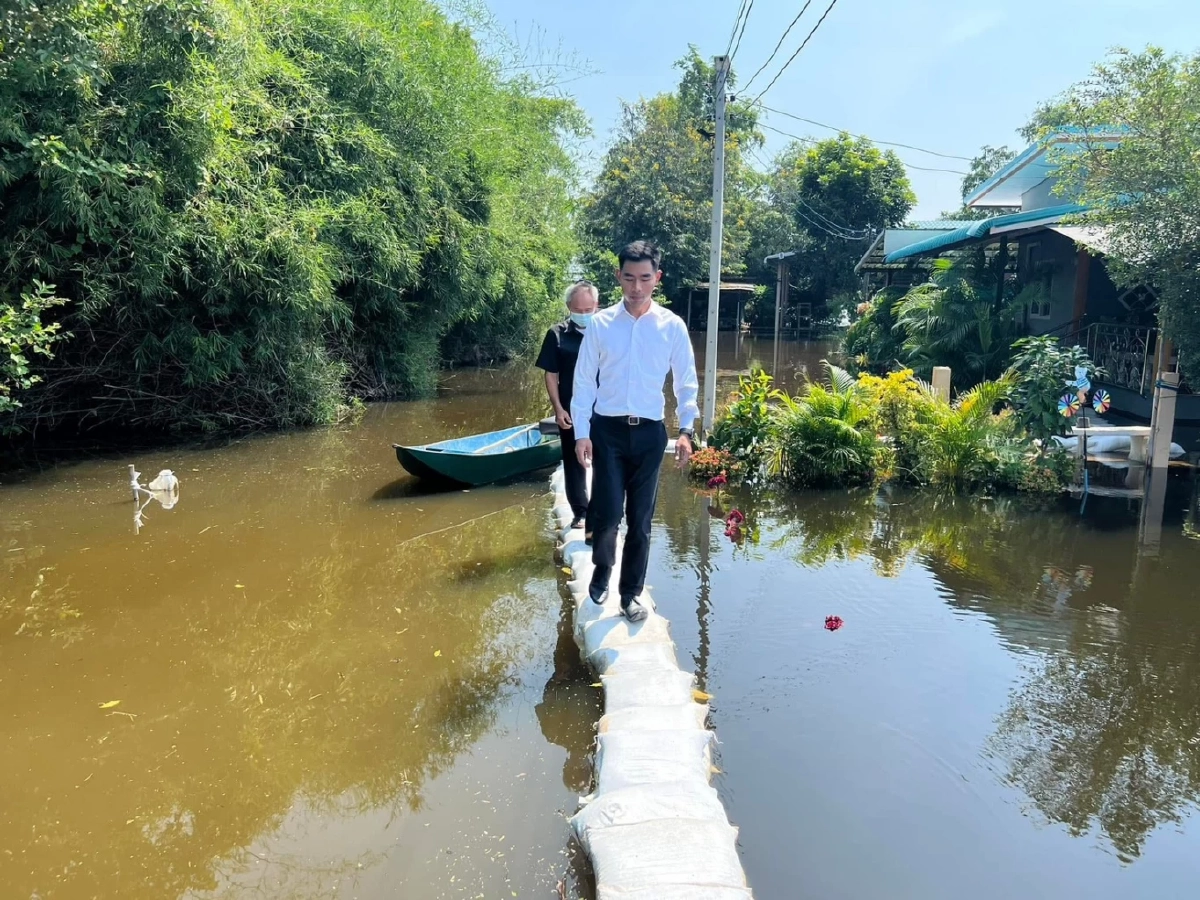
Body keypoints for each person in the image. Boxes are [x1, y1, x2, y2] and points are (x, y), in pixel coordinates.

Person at [570, 240, 698, 623]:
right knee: (607, 511)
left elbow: (686, 382)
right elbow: (583, 384)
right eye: (629, 277)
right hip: (606, 431)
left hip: (649, 434)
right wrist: (581, 433)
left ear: (657, 278)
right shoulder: (601, 325)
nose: (637, 287)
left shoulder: (671, 326)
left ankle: (630, 594)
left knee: (641, 518)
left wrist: (687, 430)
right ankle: (603, 569)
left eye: (645, 278)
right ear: (618, 277)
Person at [535, 280, 600, 537]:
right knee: (575, 462)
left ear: (597, 305)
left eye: (588, 309)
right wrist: (558, 408)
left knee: (606, 461)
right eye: (578, 310)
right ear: (568, 307)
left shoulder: (606, 331)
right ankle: (581, 512)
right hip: (571, 409)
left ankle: (602, 510)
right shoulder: (557, 334)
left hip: (604, 409)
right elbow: (551, 374)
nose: (583, 315)